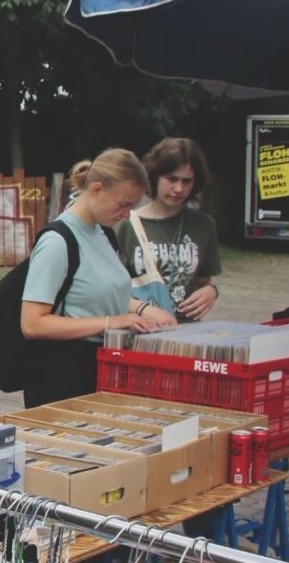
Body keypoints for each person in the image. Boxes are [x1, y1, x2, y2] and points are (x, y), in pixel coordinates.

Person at [21, 148, 175, 408]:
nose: (126, 215)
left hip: (102, 369)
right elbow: (33, 324)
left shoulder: (104, 234)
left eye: (132, 206)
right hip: (64, 379)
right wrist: (110, 322)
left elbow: (98, 291)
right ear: (97, 189)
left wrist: (144, 309)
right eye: (123, 204)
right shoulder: (57, 242)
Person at [115, 137, 222, 322]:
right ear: (154, 176)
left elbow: (204, 281)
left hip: (187, 336)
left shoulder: (204, 225)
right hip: (139, 331)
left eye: (187, 181)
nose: (179, 188)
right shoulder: (126, 225)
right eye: (171, 179)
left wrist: (211, 292)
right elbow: (108, 292)